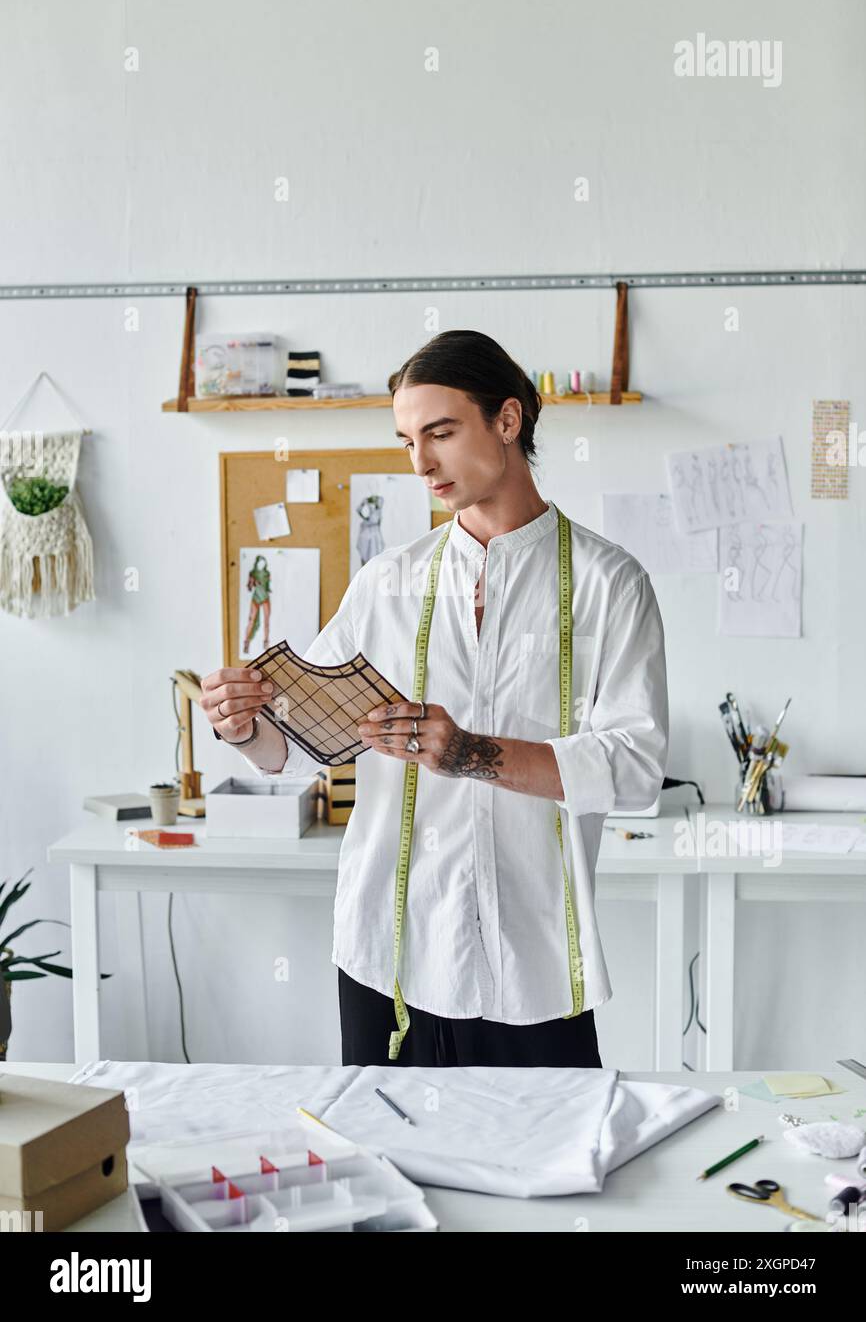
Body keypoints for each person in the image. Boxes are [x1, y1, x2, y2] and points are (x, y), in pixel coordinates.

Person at [201, 329, 669, 1068]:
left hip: (533, 963)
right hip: (389, 954)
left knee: (541, 1171)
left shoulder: (612, 586)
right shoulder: (386, 582)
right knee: (387, 1172)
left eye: (441, 433)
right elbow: (293, 753)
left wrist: (469, 754)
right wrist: (243, 725)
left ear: (507, 422)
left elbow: (637, 769)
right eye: (406, 439)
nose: (420, 462)